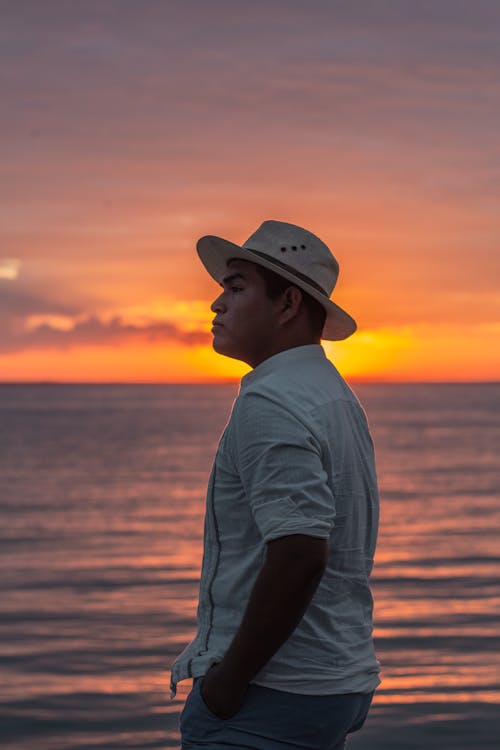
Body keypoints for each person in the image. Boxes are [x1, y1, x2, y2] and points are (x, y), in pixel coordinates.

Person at [170, 220, 381, 750]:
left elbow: (300, 553)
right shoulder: (334, 397)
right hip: (332, 680)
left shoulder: (271, 403)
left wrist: (227, 682)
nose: (216, 305)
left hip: (270, 694)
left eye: (236, 288)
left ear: (287, 304)